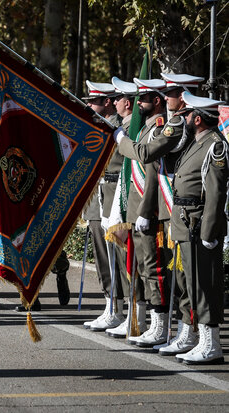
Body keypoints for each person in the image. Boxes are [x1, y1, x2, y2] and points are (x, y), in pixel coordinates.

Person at [171, 92, 227, 364]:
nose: (185, 120)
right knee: (194, 285)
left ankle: (212, 345)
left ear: (197, 118)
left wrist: (209, 231)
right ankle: (202, 340)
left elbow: (216, 194)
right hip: (186, 223)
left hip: (200, 225)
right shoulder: (197, 141)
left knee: (206, 285)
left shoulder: (215, 146)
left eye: (188, 116)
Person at [115, 78, 169, 345]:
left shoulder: (158, 130)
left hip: (149, 209)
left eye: (143, 98)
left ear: (156, 101)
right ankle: (152, 322)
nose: (137, 103)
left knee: (154, 267)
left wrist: (146, 210)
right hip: (136, 208)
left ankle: (161, 325)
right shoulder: (144, 129)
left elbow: (151, 174)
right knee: (144, 267)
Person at [104, 77, 146, 338]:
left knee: (132, 261)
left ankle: (136, 315)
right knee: (121, 260)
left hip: (128, 197)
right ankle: (128, 312)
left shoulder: (131, 128)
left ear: (127, 103)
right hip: (117, 194)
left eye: (117, 98)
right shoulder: (123, 126)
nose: (114, 102)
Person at [81, 81, 124, 330]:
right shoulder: (96, 127)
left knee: (115, 256)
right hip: (96, 201)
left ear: (108, 103)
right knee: (101, 256)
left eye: (94, 102)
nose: (89, 106)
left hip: (113, 198)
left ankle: (119, 307)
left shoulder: (120, 129)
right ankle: (110, 304)